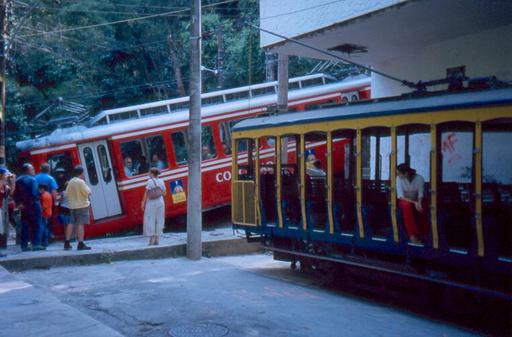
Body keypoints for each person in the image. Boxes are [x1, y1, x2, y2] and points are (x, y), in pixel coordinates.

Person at [14, 163, 44, 251]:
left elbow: (15, 194)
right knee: (37, 225)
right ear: (28, 170)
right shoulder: (33, 180)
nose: (34, 170)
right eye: (32, 169)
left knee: (25, 225)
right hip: (34, 205)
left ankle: (24, 245)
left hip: (23, 207)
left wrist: (19, 203)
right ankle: (36, 244)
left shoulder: (18, 180)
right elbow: (34, 193)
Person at [396, 163, 428, 244]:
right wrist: (415, 203)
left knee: (423, 207)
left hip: (416, 199)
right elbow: (400, 196)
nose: (398, 175)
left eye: (399, 173)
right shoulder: (398, 179)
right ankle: (412, 235)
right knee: (406, 206)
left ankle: (424, 233)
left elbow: (421, 194)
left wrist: (419, 203)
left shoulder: (419, 178)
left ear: (406, 173)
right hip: (405, 200)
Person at [65, 166, 92, 250]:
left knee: (71, 223)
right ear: (80, 173)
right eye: (83, 173)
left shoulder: (70, 182)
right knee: (80, 224)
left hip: (72, 206)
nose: (84, 174)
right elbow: (88, 192)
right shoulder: (81, 182)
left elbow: (66, 194)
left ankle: (67, 243)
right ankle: (80, 243)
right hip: (82, 206)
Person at [140, 167, 166, 246]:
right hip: (160, 201)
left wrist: (143, 202)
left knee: (150, 219)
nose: (148, 173)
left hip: (151, 202)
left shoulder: (150, 181)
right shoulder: (162, 181)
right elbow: (164, 193)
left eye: (149, 172)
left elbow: (146, 193)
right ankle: (157, 238)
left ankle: (151, 239)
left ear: (152, 173)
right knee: (159, 219)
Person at [35, 163, 58, 241]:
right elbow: (54, 192)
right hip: (47, 203)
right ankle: (48, 237)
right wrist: (56, 202)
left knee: (40, 221)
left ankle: (40, 239)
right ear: (48, 170)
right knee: (48, 221)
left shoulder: (35, 178)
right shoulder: (51, 179)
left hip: (38, 202)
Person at [0, 167, 15, 248]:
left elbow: (11, 192)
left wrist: (13, 182)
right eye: (5, 175)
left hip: (0, 208)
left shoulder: (5, 186)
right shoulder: (2, 184)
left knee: (0, 230)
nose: (7, 176)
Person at [39, 184, 52, 248]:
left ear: (42, 189)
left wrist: (38, 212)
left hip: (44, 213)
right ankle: (46, 241)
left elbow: (43, 206)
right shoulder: (48, 194)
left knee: (43, 228)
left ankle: (44, 242)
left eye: (40, 189)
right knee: (45, 227)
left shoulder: (43, 196)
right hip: (48, 213)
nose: (39, 190)